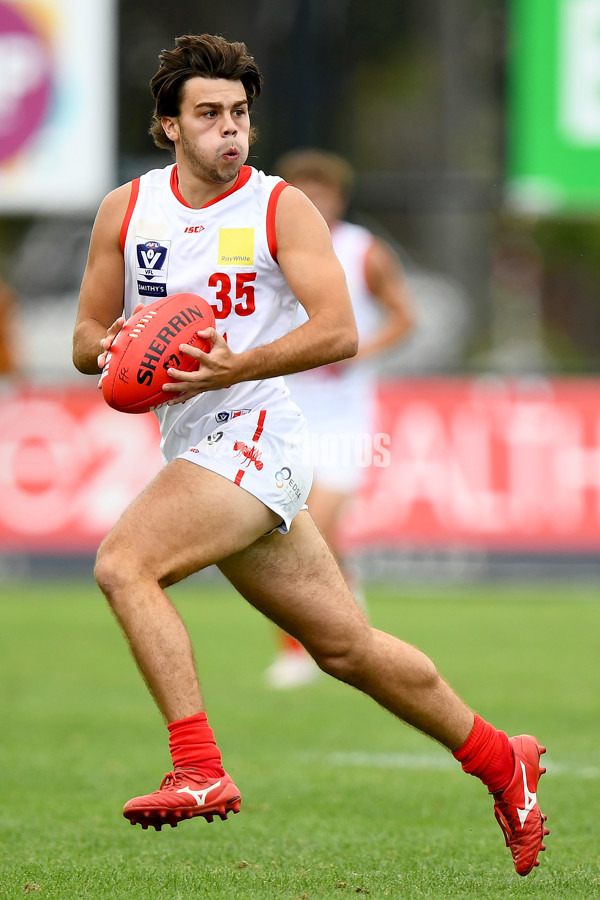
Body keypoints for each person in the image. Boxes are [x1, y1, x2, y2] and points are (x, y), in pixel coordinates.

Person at [72, 33, 548, 876]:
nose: (230, 130)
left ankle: (198, 767)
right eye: (209, 114)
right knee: (347, 649)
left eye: (241, 115)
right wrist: (113, 347)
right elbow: (83, 340)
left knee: (124, 564)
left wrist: (236, 364)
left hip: (259, 432)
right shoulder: (126, 209)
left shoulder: (278, 206)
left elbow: (339, 329)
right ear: (167, 127)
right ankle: (498, 757)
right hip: (198, 441)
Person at [264, 149, 414, 689]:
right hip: (286, 414)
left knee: (313, 528)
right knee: (295, 532)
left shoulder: (363, 251)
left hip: (345, 421)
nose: (314, 200)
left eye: (321, 190)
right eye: (303, 190)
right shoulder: (271, 248)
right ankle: (350, 614)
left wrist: (360, 351)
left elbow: (405, 316)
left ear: (338, 197)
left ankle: (300, 652)